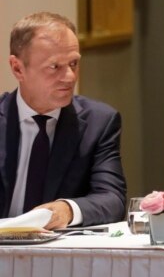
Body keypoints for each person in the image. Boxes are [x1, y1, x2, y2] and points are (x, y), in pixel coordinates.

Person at [0, 12, 127, 229]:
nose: (69, 77)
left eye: (74, 63)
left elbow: (112, 199)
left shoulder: (99, 122)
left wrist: (67, 210)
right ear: (17, 68)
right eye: (54, 67)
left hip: (58, 256)